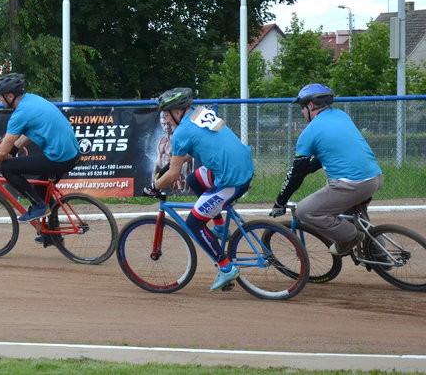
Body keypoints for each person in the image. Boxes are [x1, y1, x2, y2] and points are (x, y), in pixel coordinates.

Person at [149, 87, 254, 291]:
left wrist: (153, 187)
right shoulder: (202, 113)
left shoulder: (181, 132)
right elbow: (202, 145)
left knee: (194, 223)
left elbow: (172, 176)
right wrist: (174, 164)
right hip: (242, 167)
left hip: (230, 180)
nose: (166, 119)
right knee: (195, 180)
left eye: (166, 113)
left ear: (177, 111)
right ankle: (221, 226)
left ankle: (226, 268)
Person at [270, 84, 383, 256]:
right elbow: (324, 156)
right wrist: (306, 168)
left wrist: (280, 202)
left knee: (305, 211)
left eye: (302, 107)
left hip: (351, 184)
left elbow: (296, 174)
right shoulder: (341, 116)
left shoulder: (310, 131)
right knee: (353, 215)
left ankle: (351, 238)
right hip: (374, 177)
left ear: (311, 106)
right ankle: (381, 256)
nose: (301, 111)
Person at [0, 73, 80, 223]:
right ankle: (53, 235)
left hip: (59, 158)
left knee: (7, 167)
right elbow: (32, 132)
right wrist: (15, 148)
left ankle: (39, 206)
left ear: (10, 96)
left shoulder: (20, 113)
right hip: (71, 154)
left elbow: (2, 150)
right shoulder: (32, 100)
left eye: (0, 96)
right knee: (41, 190)